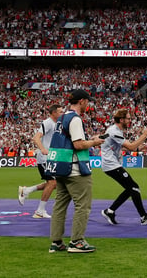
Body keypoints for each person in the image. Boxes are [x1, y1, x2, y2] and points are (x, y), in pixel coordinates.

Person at [46, 89, 105, 253]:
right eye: (87, 101)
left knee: (59, 205)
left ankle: (56, 242)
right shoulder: (75, 119)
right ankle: (77, 241)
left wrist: (89, 140)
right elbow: (78, 144)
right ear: (82, 101)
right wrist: (94, 142)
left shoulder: (62, 117)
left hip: (60, 167)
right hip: (75, 168)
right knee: (82, 206)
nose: (88, 104)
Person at [100, 108, 147, 226]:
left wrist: (138, 148)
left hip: (111, 164)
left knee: (130, 189)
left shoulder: (115, 130)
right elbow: (130, 147)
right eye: (128, 118)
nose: (130, 121)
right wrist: (144, 136)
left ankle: (110, 211)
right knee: (134, 187)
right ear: (121, 119)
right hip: (111, 165)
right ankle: (143, 216)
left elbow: (122, 147)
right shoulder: (114, 131)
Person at [18, 104, 63, 219]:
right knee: (52, 183)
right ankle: (39, 211)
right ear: (53, 113)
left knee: (55, 183)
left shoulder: (57, 124)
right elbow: (36, 137)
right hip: (45, 158)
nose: (62, 113)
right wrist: (42, 149)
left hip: (52, 158)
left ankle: (27, 190)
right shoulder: (48, 123)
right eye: (60, 112)